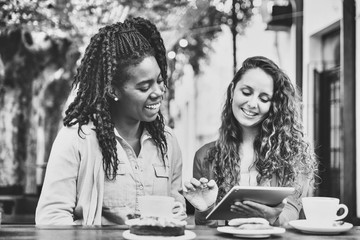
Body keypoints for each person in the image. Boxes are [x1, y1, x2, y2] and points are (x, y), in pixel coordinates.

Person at [35, 17, 186, 225]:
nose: (158, 92)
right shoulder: (76, 140)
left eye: (159, 81)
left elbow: (177, 209)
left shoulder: (168, 141)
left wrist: (178, 215)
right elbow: (50, 219)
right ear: (113, 90)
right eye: (144, 87)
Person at [183, 56, 318, 227]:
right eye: (246, 92)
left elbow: (290, 214)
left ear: (274, 105)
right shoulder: (204, 156)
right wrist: (205, 209)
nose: (252, 103)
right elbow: (205, 228)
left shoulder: (292, 154)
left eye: (264, 99)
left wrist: (272, 218)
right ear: (232, 90)